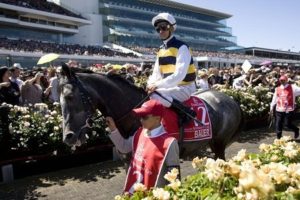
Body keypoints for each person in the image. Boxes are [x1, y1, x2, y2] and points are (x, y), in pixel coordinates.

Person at [105, 99, 180, 194]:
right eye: (140, 116)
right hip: (133, 194)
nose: (141, 120)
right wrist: (113, 129)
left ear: (157, 118)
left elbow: (175, 178)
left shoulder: (170, 143)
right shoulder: (139, 133)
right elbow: (124, 148)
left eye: (144, 117)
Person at [147, 13, 197, 119]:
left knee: (154, 95)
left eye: (164, 27)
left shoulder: (182, 47)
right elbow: (156, 73)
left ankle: (186, 113)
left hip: (185, 87)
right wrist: (150, 84)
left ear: (172, 28)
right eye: (158, 29)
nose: (161, 31)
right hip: (170, 87)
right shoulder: (161, 49)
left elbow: (180, 75)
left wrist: (157, 86)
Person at [270, 75, 300, 139]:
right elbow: (274, 99)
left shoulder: (292, 87)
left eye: (283, 80)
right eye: (281, 80)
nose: (282, 82)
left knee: (287, 124)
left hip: (289, 109)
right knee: (278, 124)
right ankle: (279, 138)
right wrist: (271, 107)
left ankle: (296, 130)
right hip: (279, 109)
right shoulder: (277, 89)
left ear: (286, 80)